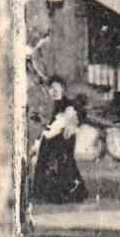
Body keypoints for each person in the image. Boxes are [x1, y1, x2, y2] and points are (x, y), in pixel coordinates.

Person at [31, 76, 88, 204]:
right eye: (51, 88)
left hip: (64, 139)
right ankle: (42, 193)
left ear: (63, 89)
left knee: (64, 163)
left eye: (57, 88)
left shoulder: (69, 103)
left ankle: (69, 193)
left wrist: (73, 123)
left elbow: (81, 115)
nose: (54, 91)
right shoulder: (46, 105)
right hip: (49, 137)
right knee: (44, 162)